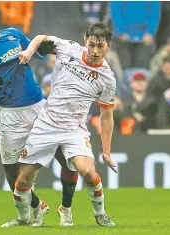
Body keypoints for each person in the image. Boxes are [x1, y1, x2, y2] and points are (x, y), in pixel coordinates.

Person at [0, 7, 79, 227]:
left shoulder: (13, 35)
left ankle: (66, 208)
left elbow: (36, 50)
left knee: (66, 158)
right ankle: (33, 211)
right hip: (10, 114)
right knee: (11, 172)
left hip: (38, 107)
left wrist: (51, 46)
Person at [13, 23, 117, 227]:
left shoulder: (107, 79)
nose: (95, 51)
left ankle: (100, 214)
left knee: (88, 170)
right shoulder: (68, 48)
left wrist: (106, 151)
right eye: (91, 45)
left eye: (100, 46)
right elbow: (41, 37)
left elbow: (107, 115)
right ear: (85, 41)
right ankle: (25, 218)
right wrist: (29, 51)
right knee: (23, 180)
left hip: (74, 129)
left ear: (108, 47)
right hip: (46, 123)